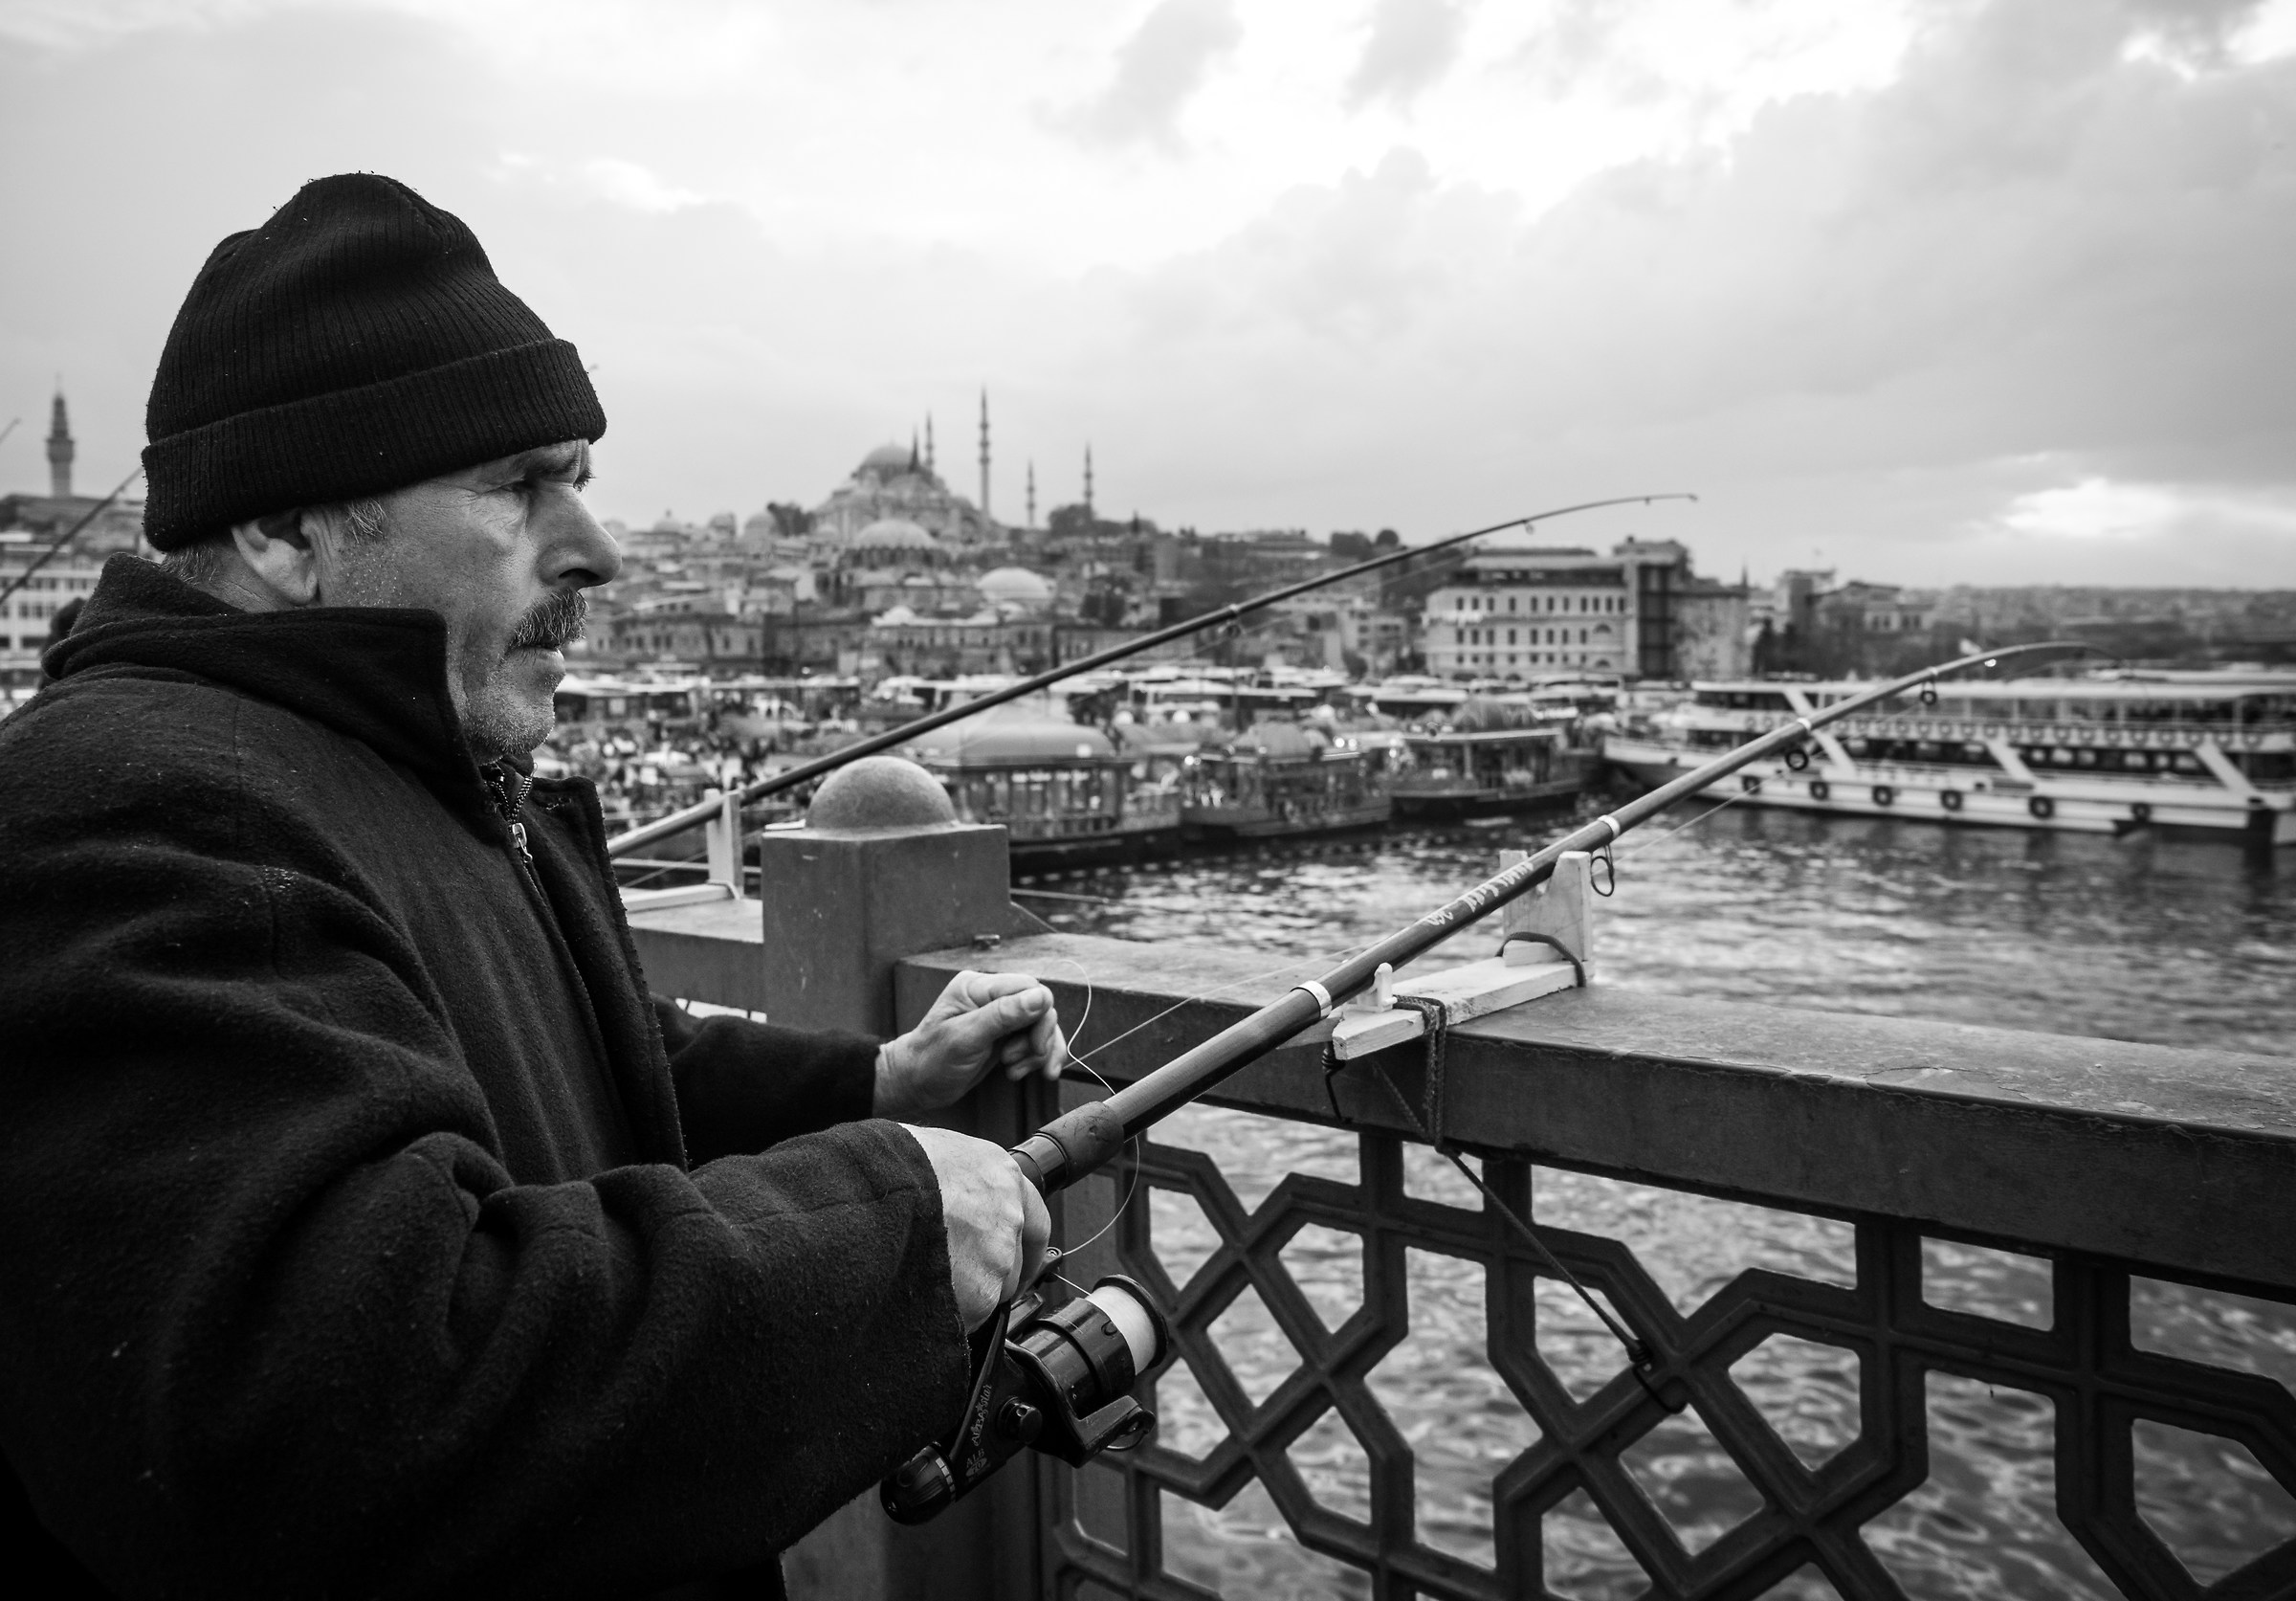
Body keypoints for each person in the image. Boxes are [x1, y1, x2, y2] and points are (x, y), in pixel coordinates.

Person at [0, 174, 1058, 1600]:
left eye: (581, 478)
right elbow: (352, 1395)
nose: (596, 552)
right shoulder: (135, 806)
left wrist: (874, 1080)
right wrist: (892, 1227)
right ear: (288, 532)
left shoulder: (404, 773)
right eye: (515, 486)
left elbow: (589, 1064)